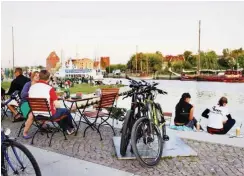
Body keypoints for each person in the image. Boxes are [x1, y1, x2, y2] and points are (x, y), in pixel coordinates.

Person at [28, 70, 75, 135]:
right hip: (49, 115)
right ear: (48, 78)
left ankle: (66, 128)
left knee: (59, 112)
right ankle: (70, 128)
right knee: (65, 111)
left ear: (40, 77)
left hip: (36, 115)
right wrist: (54, 105)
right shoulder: (49, 89)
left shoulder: (31, 88)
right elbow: (57, 105)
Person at [20, 71, 39, 139]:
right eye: (35, 75)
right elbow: (22, 95)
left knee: (44, 109)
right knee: (32, 115)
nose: (37, 76)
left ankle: (42, 125)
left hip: (35, 104)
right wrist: (31, 92)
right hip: (25, 105)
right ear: (32, 77)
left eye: (38, 75)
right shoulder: (28, 84)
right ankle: (24, 133)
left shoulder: (39, 85)